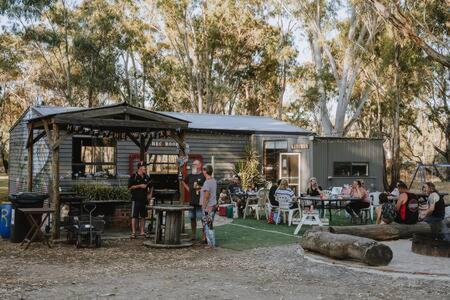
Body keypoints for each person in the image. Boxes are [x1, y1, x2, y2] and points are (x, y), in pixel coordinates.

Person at [182, 160, 205, 241]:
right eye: (193, 164)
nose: (193, 165)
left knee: (202, 219)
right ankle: (194, 235)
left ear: (200, 165)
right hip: (192, 200)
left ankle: (204, 236)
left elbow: (207, 186)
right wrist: (188, 189)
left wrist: (202, 189)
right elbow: (183, 181)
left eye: (195, 164)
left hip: (201, 201)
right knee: (192, 218)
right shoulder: (190, 175)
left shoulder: (203, 175)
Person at [128, 161, 152, 238]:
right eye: (144, 167)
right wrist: (139, 186)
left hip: (144, 199)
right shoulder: (133, 176)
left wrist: (150, 194)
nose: (145, 168)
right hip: (135, 199)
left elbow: (151, 186)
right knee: (134, 216)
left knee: (143, 216)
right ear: (140, 168)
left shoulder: (146, 177)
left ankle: (142, 232)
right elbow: (130, 187)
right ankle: (134, 233)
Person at [200, 164, 217, 246]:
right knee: (210, 225)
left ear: (205, 171)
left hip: (208, 208)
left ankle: (211, 244)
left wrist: (203, 207)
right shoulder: (214, 181)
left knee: (207, 226)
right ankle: (211, 243)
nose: (202, 172)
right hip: (213, 206)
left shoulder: (207, 182)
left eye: (203, 170)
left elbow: (206, 197)